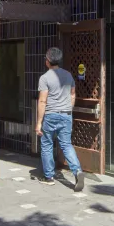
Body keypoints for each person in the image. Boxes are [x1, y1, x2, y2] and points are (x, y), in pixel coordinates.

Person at [36, 47, 84, 191]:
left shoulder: (44, 78)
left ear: (48, 61)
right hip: (66, 114)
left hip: (50, 115)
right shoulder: (68, 75)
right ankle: (78, 171)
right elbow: (73, 95)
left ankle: (49, 177)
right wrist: (69, 110)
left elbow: (42, 101)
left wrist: (39, 122)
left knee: (47, 144)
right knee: (66, 145)